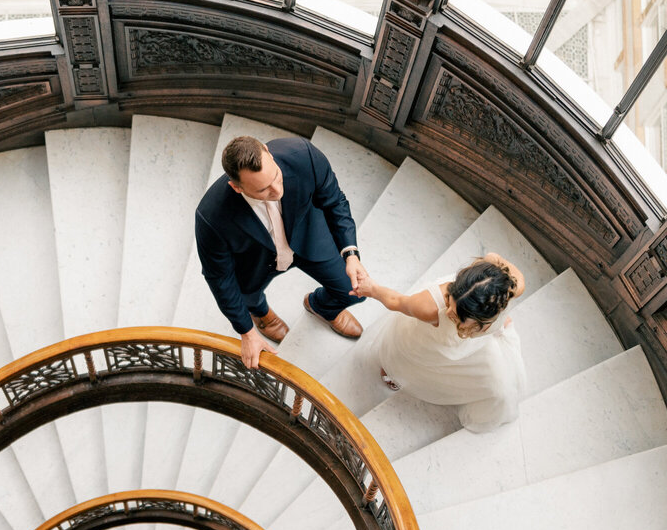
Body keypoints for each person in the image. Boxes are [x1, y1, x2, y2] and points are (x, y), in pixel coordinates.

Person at [196, 135, 370, 368]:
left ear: (267, 152)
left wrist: (351, 255)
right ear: (236, 187)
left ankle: (320, 306)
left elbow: (334, 201)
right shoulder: (211, 217)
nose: (277, 190)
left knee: (354, 289)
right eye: (263, 189)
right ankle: (261, 315)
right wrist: (246, 332)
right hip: (255, 261)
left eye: (276, 176)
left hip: (308, 237)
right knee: (248, 297)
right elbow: (219, 278)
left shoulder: (303, 155)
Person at [349, 254, 528, 431]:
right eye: (450, 302)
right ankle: (393, 370)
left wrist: (498, 323)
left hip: (474, 344)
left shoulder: (513, 286)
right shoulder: (429, 308)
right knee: (407, 358)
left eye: (457, 316)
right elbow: (398, 301)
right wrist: (371, 289)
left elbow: (493, 259)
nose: (448, 312)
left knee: (499, 388)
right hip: (429, 341)